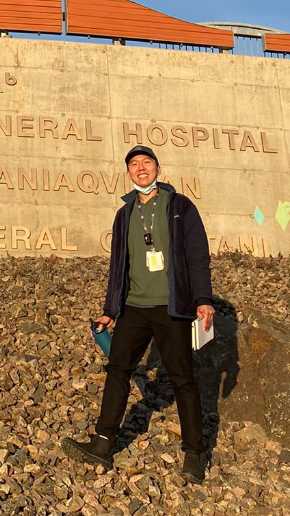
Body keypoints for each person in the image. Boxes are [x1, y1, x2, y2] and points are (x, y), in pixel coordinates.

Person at [62, 145, 215, 484]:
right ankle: (103, 443)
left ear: (157, 169)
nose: (141, 169)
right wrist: (110, 311)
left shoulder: (179, 207)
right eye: (134, 165)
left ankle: (194, 451)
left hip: (171, 307)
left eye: (147, 162)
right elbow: (119, 265)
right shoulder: (125, 214)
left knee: (182, 377)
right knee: (117, 370)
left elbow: (197, 256)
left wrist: (203, 299)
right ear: (129, 173)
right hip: (134, 307)